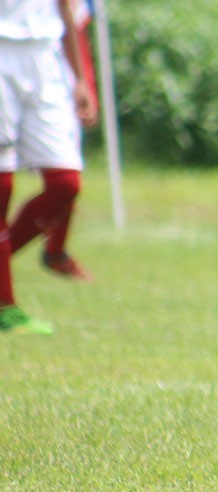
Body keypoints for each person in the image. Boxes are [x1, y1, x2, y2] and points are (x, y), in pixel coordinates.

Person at [0, 0, 99, 284]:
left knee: (65, 181)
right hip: (4, 51)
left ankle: (51, 251)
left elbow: (69, 9)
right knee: (3, 185)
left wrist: (82, 79)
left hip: (46, 58)